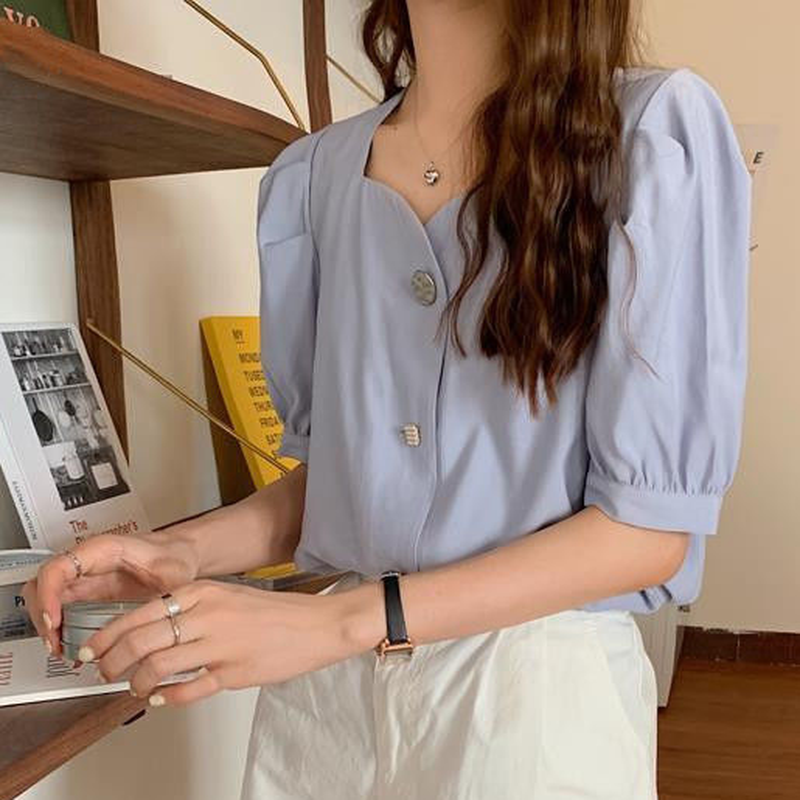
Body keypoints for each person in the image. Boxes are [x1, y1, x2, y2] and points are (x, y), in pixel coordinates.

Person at [24, 0, 753, 797]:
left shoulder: (647, 137)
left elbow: (647, 532)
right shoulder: (313, 177)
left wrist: (334, 622)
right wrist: (185, 552)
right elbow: (346, 486)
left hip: (528, 703)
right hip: (324, 708)